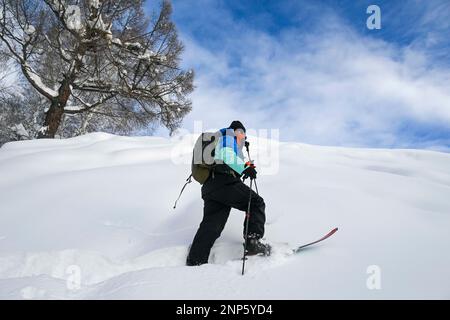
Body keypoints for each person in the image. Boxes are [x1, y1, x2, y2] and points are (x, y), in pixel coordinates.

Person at [186, 120, 270, 266]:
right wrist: (244, 168)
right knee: (256, 203)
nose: (243, 136)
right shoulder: (228, 136)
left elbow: (224, 158)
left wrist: (243, 168)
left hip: (210, 187)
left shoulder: (219, 139)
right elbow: (226, 154)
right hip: (223, 182)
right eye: (241, 132)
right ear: (235, 130)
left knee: (212, 225)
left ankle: (195, 260)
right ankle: (253, 243)